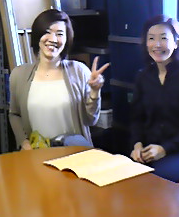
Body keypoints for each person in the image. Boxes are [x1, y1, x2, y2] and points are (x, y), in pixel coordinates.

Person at [9, 9, 109, 150]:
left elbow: (91, 120)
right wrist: (23, 142)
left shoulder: (79, 71)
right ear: (37, 35)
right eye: (47, 32)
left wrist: (95, 91)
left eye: (60, 34)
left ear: (67, 40)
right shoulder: (19, 75)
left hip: (74, 154)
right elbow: (14, 114)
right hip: (37, 155)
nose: (53, 39)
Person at [129, 15, 179, 183]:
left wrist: (164, 149)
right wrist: (137, 145)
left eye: (163, 38)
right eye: (151, 38)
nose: (157, 44)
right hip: (148, 150)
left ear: (176, 42)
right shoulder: (143, 77)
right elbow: (137, 118)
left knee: (152, 180)